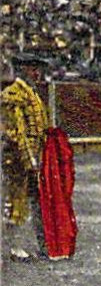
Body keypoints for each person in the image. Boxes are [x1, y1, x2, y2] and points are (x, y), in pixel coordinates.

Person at [2, 52, 50, 260]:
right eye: (33, 69)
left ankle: (44, 244)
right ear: (23, 70)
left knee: (38, 199)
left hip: (34, 155)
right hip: (18, 156)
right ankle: (14, 247)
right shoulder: (13, 94)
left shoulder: (30, 92)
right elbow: (17, 132)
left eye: (37, 68)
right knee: (17, 198)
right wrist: (29, 157)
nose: (37, 73)